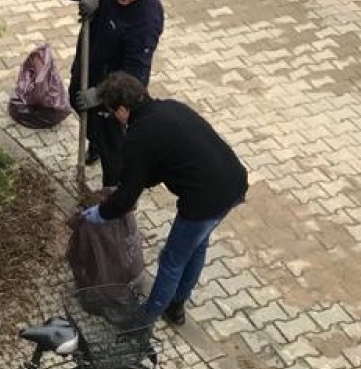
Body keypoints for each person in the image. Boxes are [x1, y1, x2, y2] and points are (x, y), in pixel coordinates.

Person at [79, 72, 248, 326]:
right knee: (197, 244)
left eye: (112, 111)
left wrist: (100, 213)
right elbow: (159, 165)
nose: (114, 117)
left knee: (171, 260)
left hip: (205, 198)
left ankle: (144, 321)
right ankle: (177, 305)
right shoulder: (170, 107)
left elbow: (126, 198)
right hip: (233, 181)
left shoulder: (138, 135)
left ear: (123, 110)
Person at [59, 0, 165, 187]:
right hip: (89, 62)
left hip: (117, 88)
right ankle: (95, 141)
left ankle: (113, 193)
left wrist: (100, 93)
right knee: (77, 102)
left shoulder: (146, 18)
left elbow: (135, 75)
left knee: (113, 146)